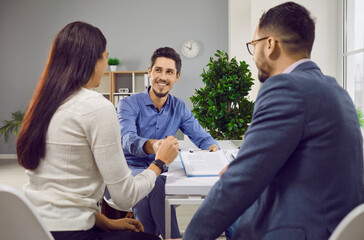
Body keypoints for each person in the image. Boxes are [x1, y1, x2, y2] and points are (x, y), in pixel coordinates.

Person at [182, 2, 364, 239]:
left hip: (299, 230)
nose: (253, 54)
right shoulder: (335, 89)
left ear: (269, 44)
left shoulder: (285, 87)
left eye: (253, 45)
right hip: (332, 226)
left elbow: (239, 184)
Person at [16, 21, 179, 240]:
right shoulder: (97, 106)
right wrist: (160, 162)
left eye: (170, 72)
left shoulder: (42, 104)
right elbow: (125, 197)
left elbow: (61, 189)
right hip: (70, 234)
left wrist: (107, 222)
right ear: (92, 61)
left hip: (34, 227)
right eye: (105, 56)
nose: (105, 66)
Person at [113, 47, 219, 238]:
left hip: (162, 171)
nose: (163, 77)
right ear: (149, 72)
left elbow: (202, 138)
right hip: (131, 168)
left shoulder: (179, 107)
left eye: (169, 72)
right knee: (153, 185)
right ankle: (175, 237)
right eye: (158, 70)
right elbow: (127, 140)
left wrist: (213, 149)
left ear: (177, 76)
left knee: (153, 187)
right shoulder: (128, 104)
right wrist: (154, 146)